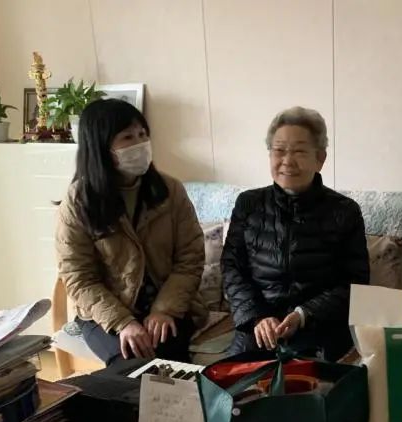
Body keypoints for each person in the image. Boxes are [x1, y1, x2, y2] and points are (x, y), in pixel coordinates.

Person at [55, 99, 205, 365]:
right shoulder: (79, 202)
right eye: (127, 137)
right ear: (101, 146)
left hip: (167, 306)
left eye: (143, 134)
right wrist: (123, 322)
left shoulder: (170, 191)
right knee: (130, 363)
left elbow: (190, 259)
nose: (140, 144)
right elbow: (78, 277)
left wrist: (165, 310)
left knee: (170, 362)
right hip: (105, 314)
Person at [221, 106, 369, 361]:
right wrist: (257, 317)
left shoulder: (344, 211)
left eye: (299, 151)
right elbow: (232, 267)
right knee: (226, 383)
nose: (287, 161)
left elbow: (355, 283)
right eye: (279, 150)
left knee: (311, 382)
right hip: (258, 330)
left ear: (320, 158)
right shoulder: (249, 204)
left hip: (320, 330)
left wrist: (303, 314)